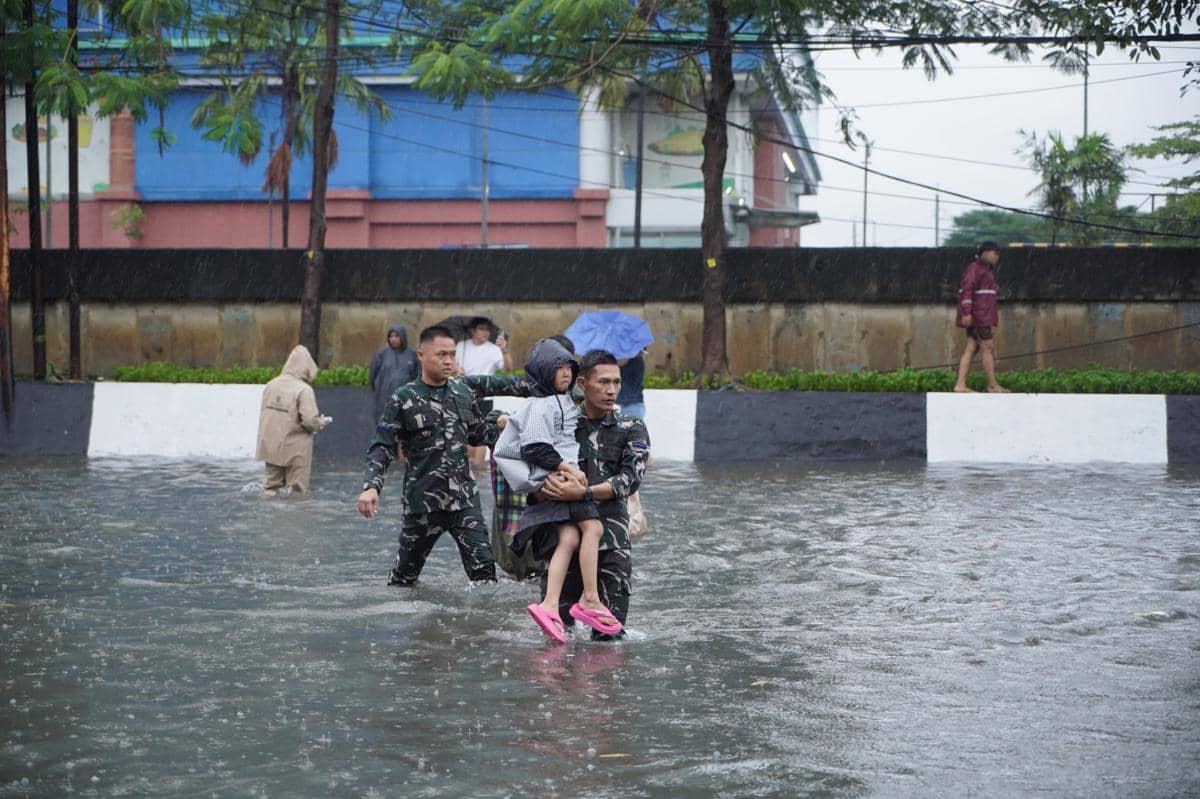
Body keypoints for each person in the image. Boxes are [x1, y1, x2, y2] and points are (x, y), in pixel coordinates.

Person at [355, 325, 530, 586]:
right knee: (403, 581)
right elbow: (381, 445)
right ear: (422, 356)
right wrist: (372, 487)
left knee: (485, 576)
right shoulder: (403, 399)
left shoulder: (462, 392)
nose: (449, 361)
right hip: (422, 504)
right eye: (441, 354)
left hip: (464, 501)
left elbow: (477, 433)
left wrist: (509, 428)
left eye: (452, 354)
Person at [519, 349, 649, 641]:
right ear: (582, 383)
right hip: (563, 536)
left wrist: (583, 492)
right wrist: (542, 490)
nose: (612, 390)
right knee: (555, 636)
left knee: (610, 640)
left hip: (612, 541)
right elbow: (527, 454)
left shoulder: (631, 426)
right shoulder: (560, 419)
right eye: (603, 382)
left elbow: (630, 480)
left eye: (617, 382)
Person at [493, 339, 617, 643]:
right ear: (543, 371)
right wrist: (569, 469)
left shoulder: (559, 401)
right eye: (558, 367)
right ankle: (589, 598)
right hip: (560, 479)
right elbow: (535, 447)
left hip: (552, 481)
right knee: (593, 527)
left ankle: (550, 603)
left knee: (570, 536)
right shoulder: (541, 404)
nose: (564, 373)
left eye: (568, 367)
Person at [256, 345, 330, 494]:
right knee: (296, 490)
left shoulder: (271, 385)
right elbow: (309, 421)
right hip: (295, 449)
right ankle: (293, 517)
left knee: (271, 488)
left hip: (270, 446)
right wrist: (320, 422)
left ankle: (269, 516)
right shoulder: (303, 390)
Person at [954, 241, 1009, 393]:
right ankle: (992, 385)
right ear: (985, 252)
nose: (997, 257)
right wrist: (967, 312)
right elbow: (966, 290)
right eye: (995, 253)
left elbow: (978, 291)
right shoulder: (975, 268)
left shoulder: (985, 271)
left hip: (981, 315)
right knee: (988, 347)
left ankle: (960, 384)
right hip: (980, 316)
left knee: (971, 348)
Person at [456, 317, 506, 464]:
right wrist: (457, 369)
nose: (485, 333)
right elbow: (453, 365)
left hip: (484, 395)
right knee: (464, 431)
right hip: (464, 392)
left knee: (481, 432)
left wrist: (505, 350)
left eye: (487, 330)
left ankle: (479, 469)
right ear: (472, 330)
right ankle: (470, 466)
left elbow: (507, 368)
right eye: (481, 329)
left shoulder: (494, 349)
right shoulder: (461, 346)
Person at [368, 323, 419, 422]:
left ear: (402, 337)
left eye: (396, 336)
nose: (393, 339)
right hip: (385, 395)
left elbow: (417, 375)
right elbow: (373, 372)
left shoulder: (412, 354)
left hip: (405, 396)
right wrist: (374, 388)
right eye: (391, 336)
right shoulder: (382, 353)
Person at [616, 349, 646, 419]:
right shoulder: (636, 361)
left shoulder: (635, 361)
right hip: (631, 406)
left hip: (632, 408)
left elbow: (619, 374)